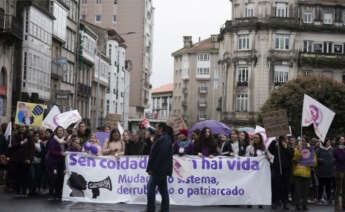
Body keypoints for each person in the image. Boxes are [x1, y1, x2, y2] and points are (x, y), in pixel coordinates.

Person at [145, 123, 173, 212]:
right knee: (163, 190)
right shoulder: (163, 138)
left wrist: (152, 169)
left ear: (160, 129)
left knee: (150, 189)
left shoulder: (164, 139)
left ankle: (151, 209)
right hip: (161, 169)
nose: (155, 129)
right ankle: (164, 209)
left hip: (159, 170)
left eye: (156, 128)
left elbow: (160, 156)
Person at [268, 135, 294, 210]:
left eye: (286, 139)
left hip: (286, 170)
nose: (285, 140)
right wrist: (274, 141)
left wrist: (286, 148)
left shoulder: (289, 147)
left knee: (285, 187)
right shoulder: (276, 145)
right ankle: (276, 202)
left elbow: (291, 155)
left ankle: (285, 202)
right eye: (283, 139)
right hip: (277, 169)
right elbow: (270, 150)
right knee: (277, 186)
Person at [292, 137, 317, 211]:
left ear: (306, 142)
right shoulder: (295, 149)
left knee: (305, 191)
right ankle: (297, 205)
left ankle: (304, 205)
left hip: (306, 173)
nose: (301, 142)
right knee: (297, 191)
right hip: (297, 172)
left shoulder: (310, 150)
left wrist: (310, 162)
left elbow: (314, 162)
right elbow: (294, 159)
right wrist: (299, 151)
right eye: (300, 141)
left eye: (303, 141)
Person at [11, 125, 34, 197]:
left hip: (26, 159)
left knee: (25, 175)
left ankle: (24, 190)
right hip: (17, 159)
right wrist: (21, 142)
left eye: (23, 127)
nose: (22, 128)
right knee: (17, 174)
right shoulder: (15, 136)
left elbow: (32, 149)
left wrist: (30, 159)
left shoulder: (29, 137)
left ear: (25, 128)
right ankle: (18, 189)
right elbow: (13, 145)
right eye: (21, 127)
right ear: (19, 128)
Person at [246, 133, 267, 209]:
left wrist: (266, 157)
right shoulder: (249, 147)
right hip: (252, 170)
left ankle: (260, 201)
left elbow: (267, 156)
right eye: (254, 138)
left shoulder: (264, 148)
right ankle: (249, 201)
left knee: (260, 185)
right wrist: (250, 153)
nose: (256, 139)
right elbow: (246, 158)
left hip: (261, 171)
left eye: (257, 138)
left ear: (260, 139)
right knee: (251, 186)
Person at [46, 126, 67, 200]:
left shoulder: (65, 140)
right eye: (59, 130)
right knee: (53, 177)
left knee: (60, 178)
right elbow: (52, 151)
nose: (60, 132)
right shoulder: (53, 140)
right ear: (56, 131)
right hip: (54, 163)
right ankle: (51, 193)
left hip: (61, 163)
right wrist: (60, 153)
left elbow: (67, 149)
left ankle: (58, 193)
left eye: (61, 130)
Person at [316, 139, 335, 205]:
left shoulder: (332, 149)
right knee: (321, 186)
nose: (329, 143)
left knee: (328, 186)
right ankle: (319, 199)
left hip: (330, 171)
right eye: (328, 142)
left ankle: (329, 199)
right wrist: (320, 160)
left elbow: (335, 157)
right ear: (324, 142)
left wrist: (333, 160)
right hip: (321, 172)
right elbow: (315, 158)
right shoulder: (319, 149)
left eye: (330, 141)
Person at [30, 131, 45, 195]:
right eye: (35, 136)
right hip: (32, 162)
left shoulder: (41, 143)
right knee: (32, 176)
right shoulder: (30, 143)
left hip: (39, 162)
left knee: (39, 176)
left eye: (37, 136)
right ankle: (32, 189)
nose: (36, 137)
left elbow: (43, 152)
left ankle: (38, 188)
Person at [334, 136, 345, 211]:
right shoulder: (336, 149)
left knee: (344, 189)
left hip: (344, 170)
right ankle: (337, 205)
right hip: (339, 171)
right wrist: (342, 150)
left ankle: (344, 205)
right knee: (338, 189)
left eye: (343, 139)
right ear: (338, 141)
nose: (343, 140)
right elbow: (340, 158)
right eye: (341, 139)